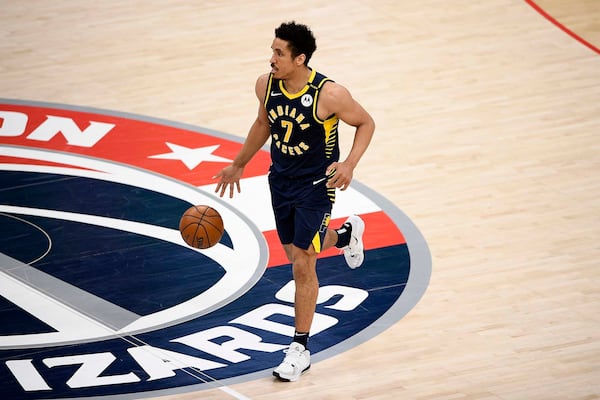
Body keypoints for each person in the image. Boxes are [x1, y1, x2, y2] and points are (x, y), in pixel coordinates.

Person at [214, 21, 375, 382]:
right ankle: (347, 236)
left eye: (278, 53)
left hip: (317, 186)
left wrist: (349, 164)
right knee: (295, 252)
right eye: (272, 51)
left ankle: (299, 348)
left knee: (303, 264)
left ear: (299, 58)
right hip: (281, 181)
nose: (271, 58)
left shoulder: (329, 94)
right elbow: (262, 123)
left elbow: (366, 123)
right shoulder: (265, 84)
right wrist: (238, 163)